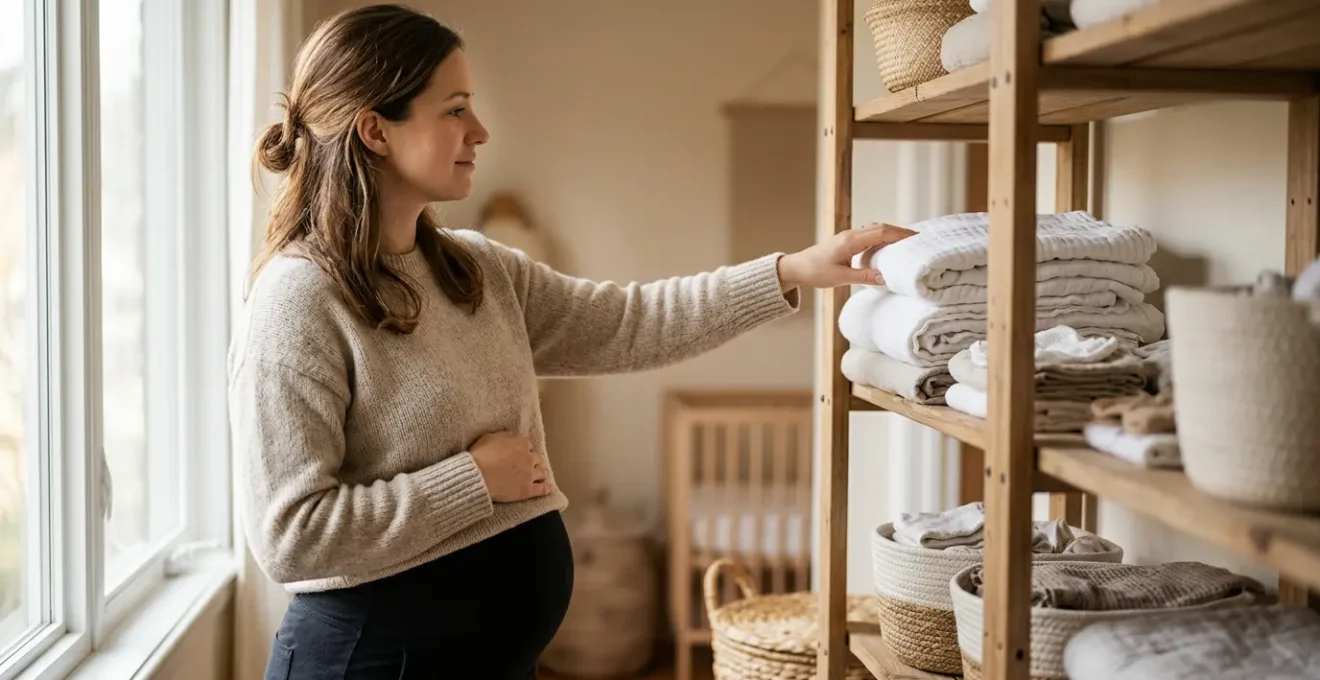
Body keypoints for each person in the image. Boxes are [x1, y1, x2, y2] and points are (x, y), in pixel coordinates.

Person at [228, 4, 915, 679]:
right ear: (376, 131)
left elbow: (633, 321)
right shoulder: (300, 299)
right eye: (456, 109)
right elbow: (292, 535)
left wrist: (791, 271)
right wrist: (472, 481)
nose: (482, 130)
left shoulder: (476, 269)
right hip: (372, 663)